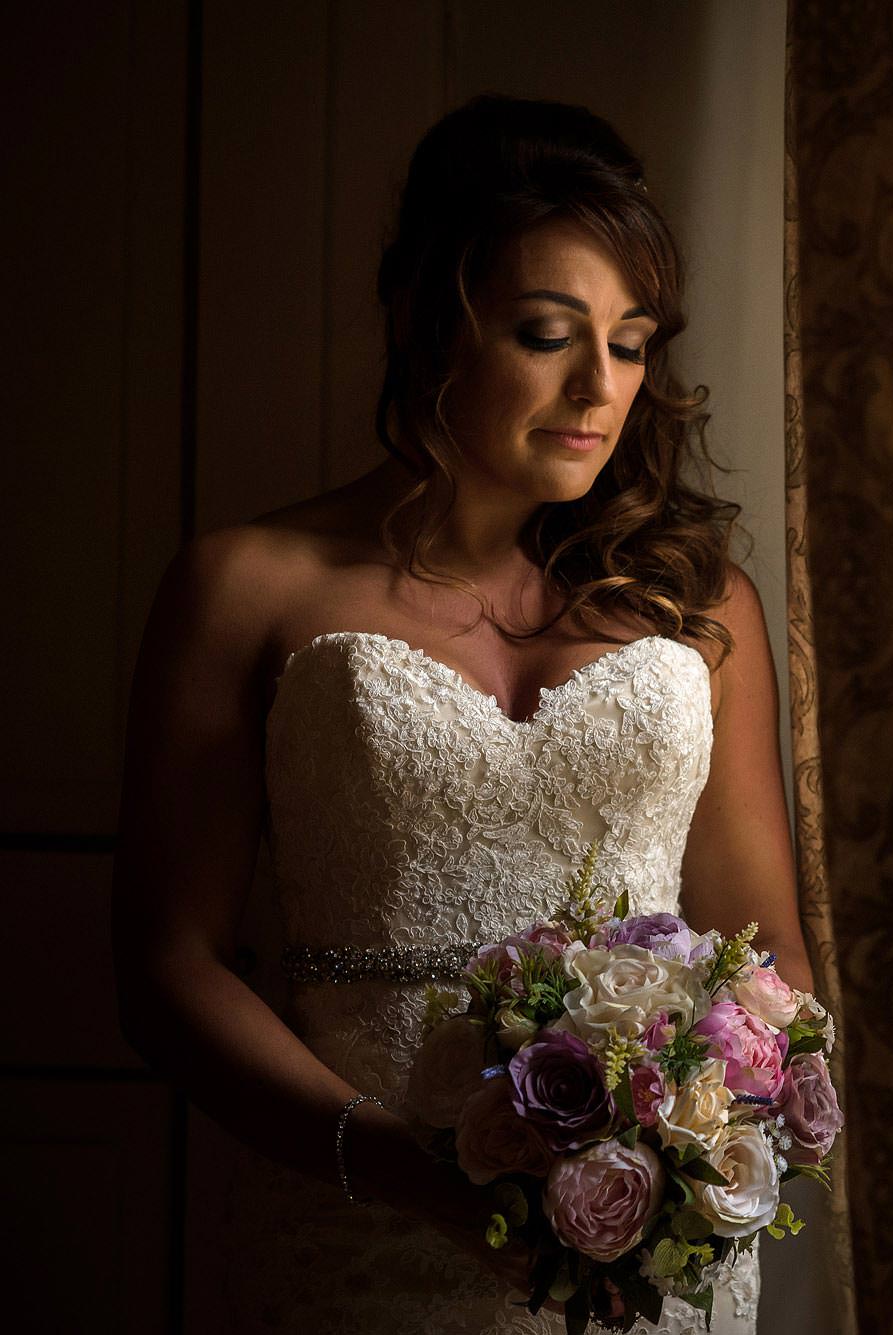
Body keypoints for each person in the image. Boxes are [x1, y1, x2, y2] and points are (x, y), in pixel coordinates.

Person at [111, 94, 812, 1333]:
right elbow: (168, 966)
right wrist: (395, 1168)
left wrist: (723, 1141)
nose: (601, 385)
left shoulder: (700, 606)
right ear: (431, 321)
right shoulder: (245, 587)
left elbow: (767, 955)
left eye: (633, 341)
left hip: (646, 1252)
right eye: (548, 333)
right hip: (350, 1228)